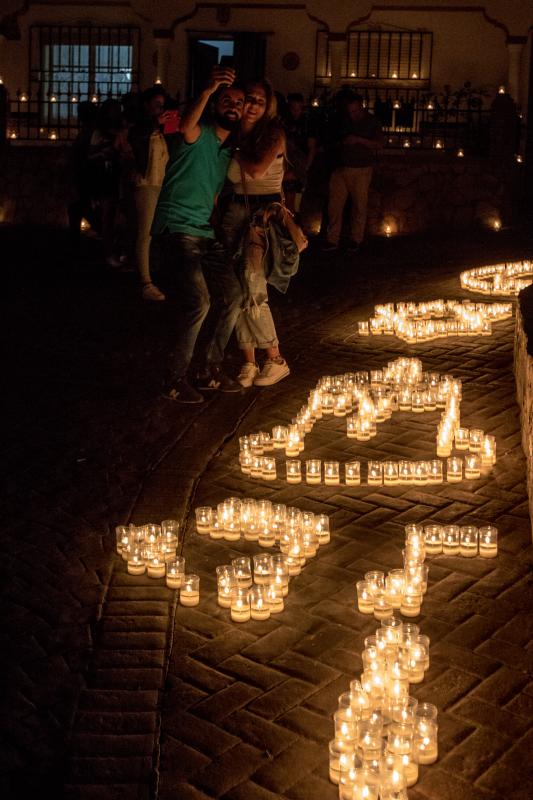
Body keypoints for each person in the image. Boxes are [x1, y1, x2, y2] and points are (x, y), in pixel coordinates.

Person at [151, 67, 245, 403]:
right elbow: (186, 124)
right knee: (200, 301)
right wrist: (207, 89)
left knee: (233, 295)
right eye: (227, 100)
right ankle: (173, 379)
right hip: (177, 229)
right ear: (215, 105)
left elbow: (215, 195)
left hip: (204, 233)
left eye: (239, 102)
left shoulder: (225, 154)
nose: (233, 106)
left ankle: (208, 369)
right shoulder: (198, 133)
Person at [221, 78, 291, 389]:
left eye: (258, 102)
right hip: (234, 214)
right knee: (235, 291)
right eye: (247, 99)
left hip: (262, 217)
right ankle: (248, 361)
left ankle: (275, 359)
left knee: (253, 286)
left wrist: (234, 147)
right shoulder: (234, 133)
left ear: (268, 107)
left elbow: (257, 170)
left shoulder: (272, 134)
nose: (250, 106)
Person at [128, 86, 174, 301]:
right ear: (147, 106)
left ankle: (156, 270)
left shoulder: (164, 130)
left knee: (160, 231)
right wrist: (157, 124)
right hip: (146, 183)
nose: (160, 109)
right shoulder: (140, 129)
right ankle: (145, 281)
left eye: (163, 106)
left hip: (162, 184)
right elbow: (137, 141)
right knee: (145, 232)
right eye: (157, 105)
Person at [323, 91, 383, 252]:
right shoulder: (344, 120)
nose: (352, 114)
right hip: (341, 168)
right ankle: (332, 239)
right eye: (350, 111)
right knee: (334, 206)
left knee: (359, 206)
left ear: (361, 106)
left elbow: (378, 144)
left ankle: (356, 239)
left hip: (361, 169)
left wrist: (359, 140)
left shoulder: (372, 122)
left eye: (355, 111)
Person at [88, 99, 130, 267]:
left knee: (121, 216)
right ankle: (109, 252)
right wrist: (105, 152)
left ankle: (120, 250)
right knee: (108, 216)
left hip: (121, 174)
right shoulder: (100, 133)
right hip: (107, 176)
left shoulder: (123, 130)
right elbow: (91, 155)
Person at [281, 92, 317, 214]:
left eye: (298, 108)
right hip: (284, 161)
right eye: (292, 108)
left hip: (299, 162)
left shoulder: (307, 124)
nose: (295, 112)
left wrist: (306, 166)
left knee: (293, 202)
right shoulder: (283, 122)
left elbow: (312, 147)